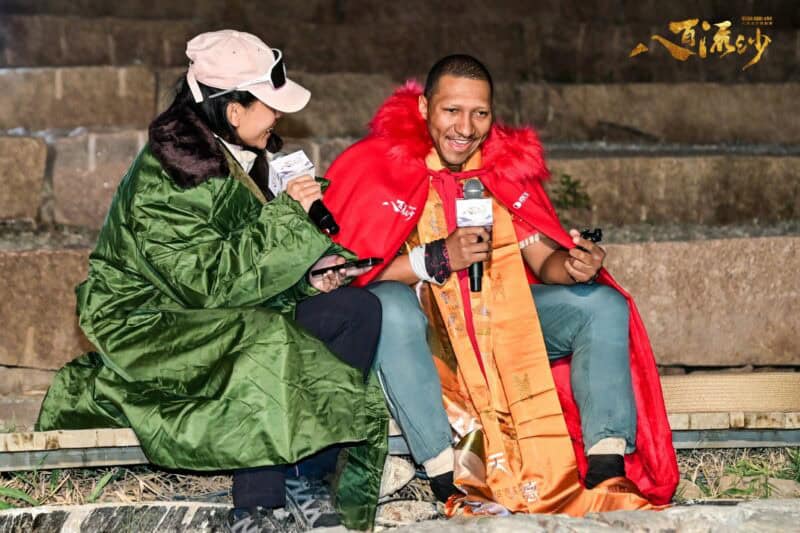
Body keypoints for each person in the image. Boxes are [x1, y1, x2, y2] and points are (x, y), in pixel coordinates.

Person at [35, 30, 388, 531]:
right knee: (262, 334)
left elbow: (247, 267)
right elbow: (208, 283)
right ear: (234, 111)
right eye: (270, 106)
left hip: (214, 304)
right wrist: (293, 219)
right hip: (149, 321)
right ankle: (256, 506)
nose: (278, 116)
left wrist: (309, 277)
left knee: (356, 312)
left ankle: (305, 474)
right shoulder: (171, 172)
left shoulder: (237, 154)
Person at [323, 54, 679, 516]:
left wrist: (574, 266)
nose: (465, 128)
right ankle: (445, 473)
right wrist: (436, 258)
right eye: (452, 111)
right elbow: (346, 278)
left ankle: (605, 465)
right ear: (424, 107)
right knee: (387, 305)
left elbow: (542, 259)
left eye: (480, 113)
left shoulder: (498, 170)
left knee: (602, 305)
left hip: (499, 321)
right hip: (419, 336)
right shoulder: (378, 164)